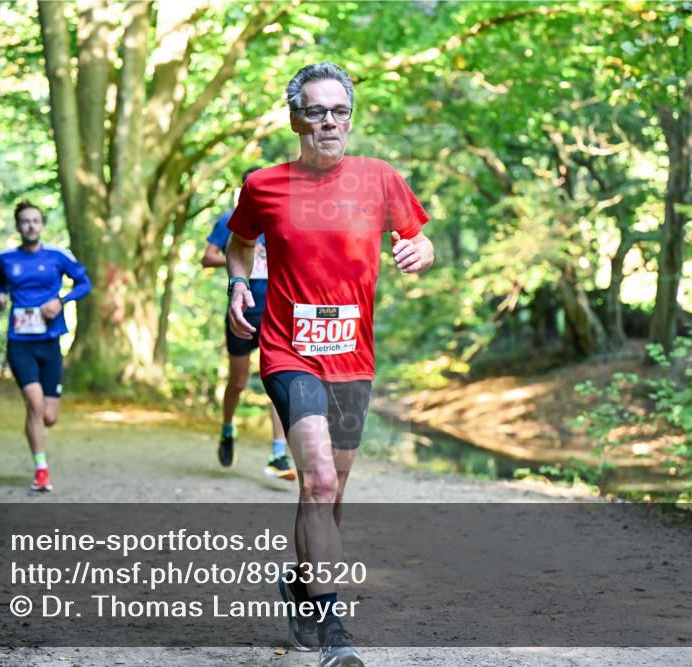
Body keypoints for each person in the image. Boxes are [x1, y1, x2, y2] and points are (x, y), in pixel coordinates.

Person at [225, 62, 434, 667]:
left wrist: (420, 248)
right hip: (288, 350)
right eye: (315, 111)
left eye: (339, 110)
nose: (328, 122)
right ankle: (335, 631)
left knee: (332, 490)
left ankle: (302, 588)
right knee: (315, 479)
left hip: (353, 357)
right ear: (295, 119)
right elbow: (240, 243)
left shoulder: (379, 179)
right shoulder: (264, 185)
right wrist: (238, 287)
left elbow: (422, 237)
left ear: (350, 117)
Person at [200, 168, 295, 481]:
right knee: (238, 382)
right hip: (243, 310)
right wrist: (242, 255)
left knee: (277, 383)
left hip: (277, 310)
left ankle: (279, 452)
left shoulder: (282, 217)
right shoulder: (231, 219)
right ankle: (228, 429)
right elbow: (207, 257)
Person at [0, 201, 91, 492]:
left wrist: (61, 300)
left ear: (42, 225)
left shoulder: (58, 256)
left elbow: (85, 284)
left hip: (50, 342)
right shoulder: (6, 259)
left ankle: (36, 430)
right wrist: (0, 296)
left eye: (35, 221)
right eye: (25, 221)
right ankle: (41, 469)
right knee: (34, 405)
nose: (31, 226)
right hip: (19, 343)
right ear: (17, 226)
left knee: (49, 416)